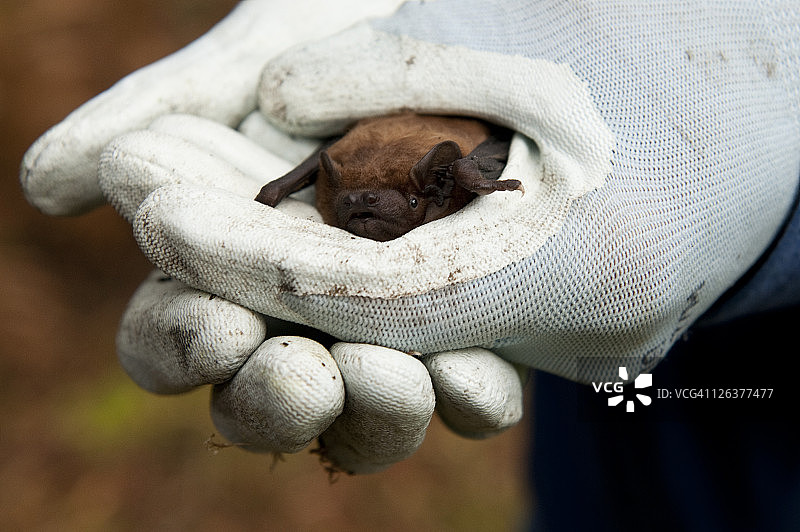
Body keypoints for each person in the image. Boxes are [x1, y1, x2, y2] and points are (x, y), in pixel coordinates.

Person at [20, 1, 800, 529]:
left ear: (439, 186)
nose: (360, 215)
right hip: (621, 445)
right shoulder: (339, 172)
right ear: (321, 181)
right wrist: (300, 187)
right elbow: (327, 175)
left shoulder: (453, 170)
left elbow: (466, 156)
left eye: (380, 203)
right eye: (345, 200)